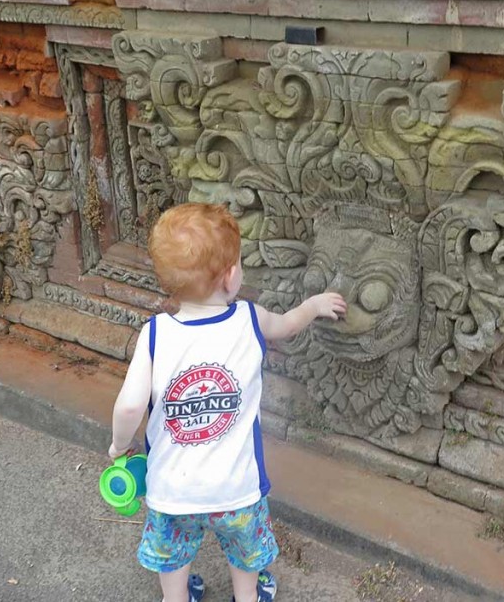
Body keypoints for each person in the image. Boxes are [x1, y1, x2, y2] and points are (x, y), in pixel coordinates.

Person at [109, 202, 346, 602]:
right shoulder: (249, 320)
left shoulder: (155, 333)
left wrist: (119, 446)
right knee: (244, 553)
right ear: (231, 276)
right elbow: (287, 326)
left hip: (171, 491)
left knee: (173, 557)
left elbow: (130, 406)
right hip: (237, 489)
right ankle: (247, 597)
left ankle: (176, 598)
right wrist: (315, 306)